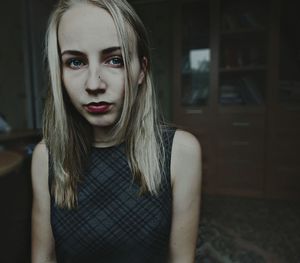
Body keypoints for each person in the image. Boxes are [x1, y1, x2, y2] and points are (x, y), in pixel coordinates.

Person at [31, 0, 202, 262]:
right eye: (75, 62)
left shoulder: (181, 152)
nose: (93, 84)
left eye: (115, 60)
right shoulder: (46, 156)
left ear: (141, 70)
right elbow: (42, 258)